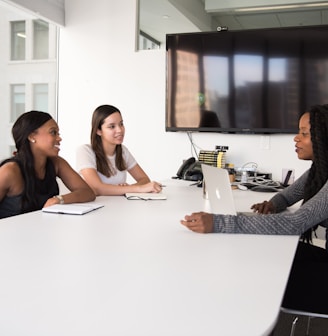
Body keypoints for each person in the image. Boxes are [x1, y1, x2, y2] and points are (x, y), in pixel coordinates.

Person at [181, 104, 328, 314]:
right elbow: (288, 195)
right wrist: (273, 205)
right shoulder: (320, 170)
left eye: (304, 133)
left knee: (259, 276)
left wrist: (219, 222)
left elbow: (296, 223)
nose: (296, 138)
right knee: (270, 251)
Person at [0, 111, 95, 219]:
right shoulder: (9, 171)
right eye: (53, 132)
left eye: (58, 133)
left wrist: (58, 199)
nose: (59, 138)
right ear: (31, 136)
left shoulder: (57, 163)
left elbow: (87, 192)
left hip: (41, 231)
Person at [76, 104, 162, 196]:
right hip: (97, 208)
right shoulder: (85, 151)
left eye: (121, 124)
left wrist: (127, 189)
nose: (120, 130)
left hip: (119, 206)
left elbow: (144, 179)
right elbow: (98, 188)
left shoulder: (123, 151)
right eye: (112, 126)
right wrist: (132, 189)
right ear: (98, 131)